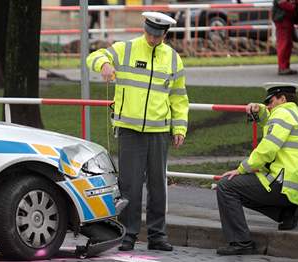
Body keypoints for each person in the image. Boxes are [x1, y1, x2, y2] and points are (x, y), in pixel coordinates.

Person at [86, 12, 189, 251]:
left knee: (157, 186)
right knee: (130, 186)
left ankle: (157, 236)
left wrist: (180, 127)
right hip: (129, 130)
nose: (152, 39)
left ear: (165, 34)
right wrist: (105, 64)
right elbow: (94, 56)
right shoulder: (126, 49)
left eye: (157, 35)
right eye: (149, 33)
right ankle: (127, 235)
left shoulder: (173, 59)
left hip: (159, 131)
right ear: (145, 29)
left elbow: (179, 98)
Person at [216, 82, 298, 256]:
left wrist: (241, 169)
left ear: (282, 99)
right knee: (240, 189)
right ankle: (287, 213)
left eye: (271, 101)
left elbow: (267, 149)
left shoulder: (282, 114)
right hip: (296, 189)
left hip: (281, 184)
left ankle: (241, 242)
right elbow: (270, 121)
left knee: (226, 186)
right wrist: (258, 109)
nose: (269, 105)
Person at [272, 0, 298, 75]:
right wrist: (293, 4)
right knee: (284, 44)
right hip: (283, 20)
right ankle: (282, 67)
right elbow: (284, 4)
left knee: (288, 44)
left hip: (287, 20)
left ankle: (285, 67)